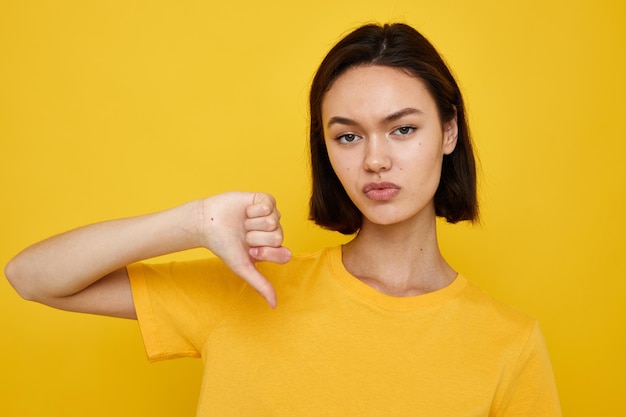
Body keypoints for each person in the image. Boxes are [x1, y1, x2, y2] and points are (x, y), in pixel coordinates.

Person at [5, 23, 561, 416]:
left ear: (449, 132)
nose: (373, 159)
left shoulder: (508, 344)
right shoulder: (252, 287)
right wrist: (194, 222)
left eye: (403, 128)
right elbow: (31, 277)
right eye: (347, 135)